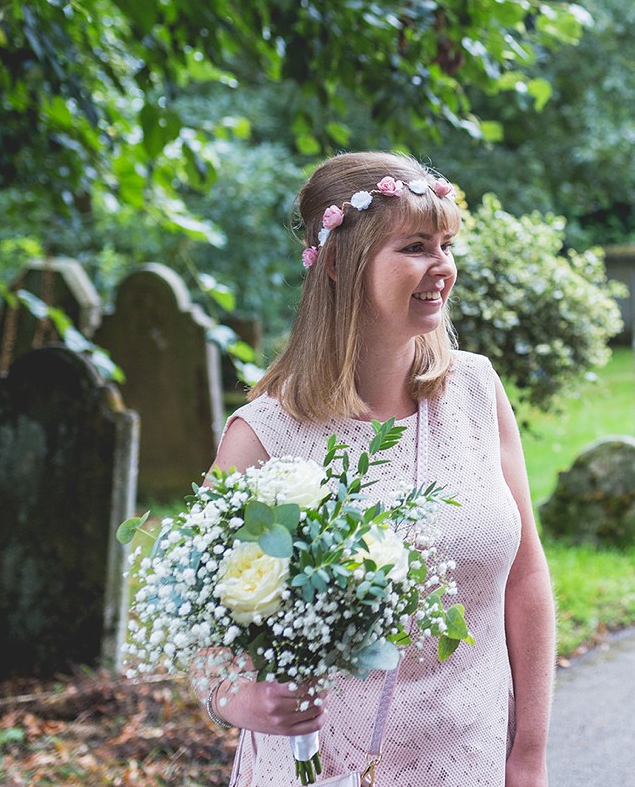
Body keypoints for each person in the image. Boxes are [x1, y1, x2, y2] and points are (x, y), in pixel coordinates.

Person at [207, 151, 555, 787]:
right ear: (340, 263)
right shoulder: (263, 436)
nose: (442, 267)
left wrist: (528, 752)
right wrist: (241, 700)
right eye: (416, 246)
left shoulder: (476, 390)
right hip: (325, 768)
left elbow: (526, 577)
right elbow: (211, 624)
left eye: (446, 244)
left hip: (469, 759)